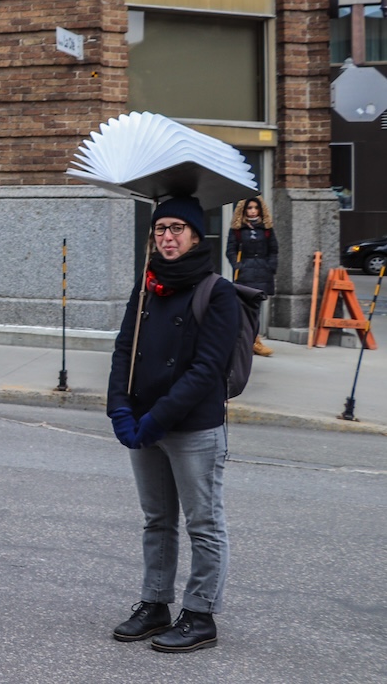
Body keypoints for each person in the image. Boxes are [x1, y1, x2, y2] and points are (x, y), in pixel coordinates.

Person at [107, 195, 238, 653]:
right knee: (157, 520)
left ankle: (200, 614)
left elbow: (207, 370)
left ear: (196, 236)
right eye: (160, 228)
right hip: (144, 423)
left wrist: (155, 419)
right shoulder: (146, 286)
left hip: (193, 428)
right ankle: (155, 603)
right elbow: (125, 350)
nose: (167, 237)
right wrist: (119, 409)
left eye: (177, 228)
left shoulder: (216, 291)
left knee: (203, 522)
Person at [227, 195, 277, 357]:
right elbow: (231, 250)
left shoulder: (267, 229)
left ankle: (255, 341)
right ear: (244, 210)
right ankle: (246, 340)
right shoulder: (237, 230)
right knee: (244, 309)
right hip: (245, 273)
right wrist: (238, 265)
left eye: (256, 208)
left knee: (256, 308)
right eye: (250, 208)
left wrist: (270, 267)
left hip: (262, 272)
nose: (253, 211)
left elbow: (273, 250)